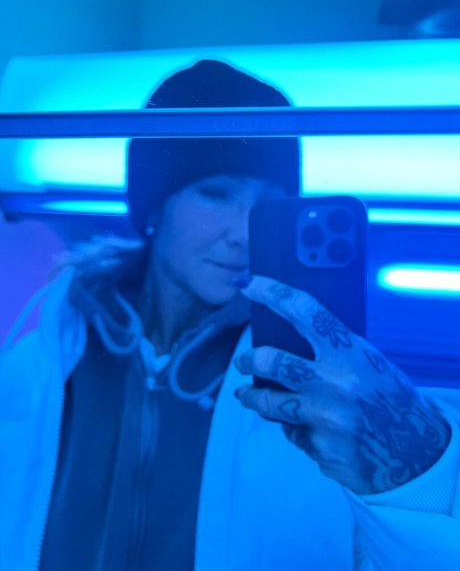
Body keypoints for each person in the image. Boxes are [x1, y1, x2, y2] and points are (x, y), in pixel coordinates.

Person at [0, 59, 459, 571]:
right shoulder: (46, 356)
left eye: (268, 204)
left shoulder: (305, 380)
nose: (243, 234)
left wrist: (414, 473)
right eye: (215, 194)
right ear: (154, 205)